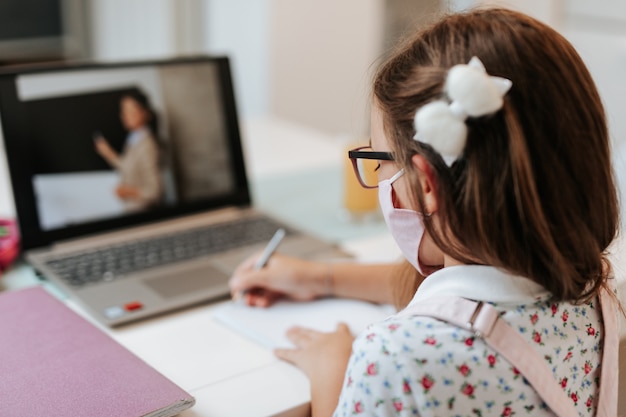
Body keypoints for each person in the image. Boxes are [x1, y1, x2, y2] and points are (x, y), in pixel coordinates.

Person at [229, 7, 621, 417]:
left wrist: (332, 371)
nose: (378, 176)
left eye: (380, 162)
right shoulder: (591, 287)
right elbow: (455, 289)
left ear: (428, 183)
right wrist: (319, 276)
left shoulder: (395, 361)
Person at [94, 90, 163, 211]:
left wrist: (128, 191)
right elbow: (128, 167)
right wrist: (108, 153)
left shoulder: (148, 146)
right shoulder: (134, 139)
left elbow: (154, 192)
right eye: (124, 111)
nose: (125, 116)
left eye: (131, 111)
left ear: (145, 113)